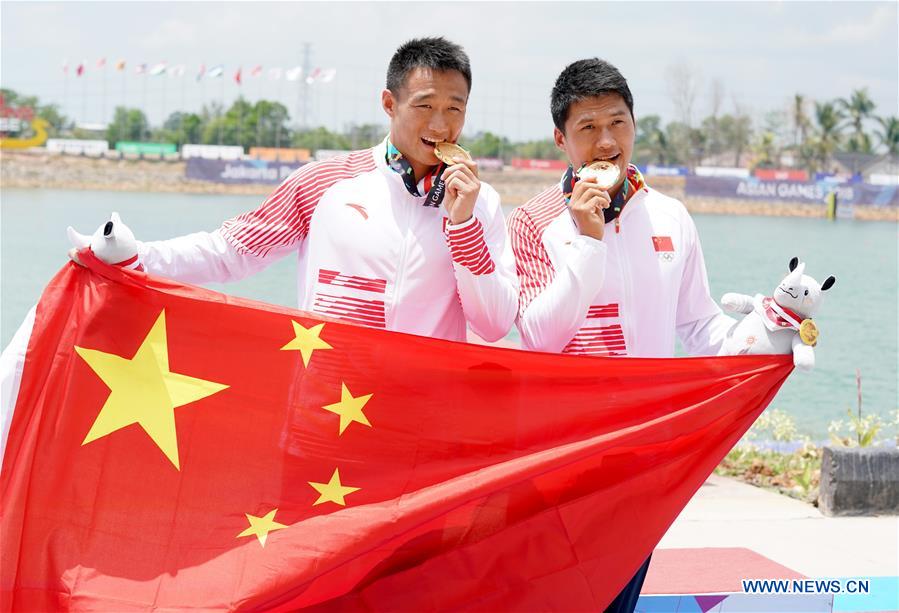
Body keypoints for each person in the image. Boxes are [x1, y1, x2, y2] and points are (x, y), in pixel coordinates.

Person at [0, 37, 518, 461]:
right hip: (325, 419)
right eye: (424, 106)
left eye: (455, 110)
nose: (440, 125)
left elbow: (494, 323)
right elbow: (233, 250)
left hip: (422, 428)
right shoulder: (326, 182)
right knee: (311, 574)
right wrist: (136, 259)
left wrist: (463, 223)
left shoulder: (481, 202)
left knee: (415, 583)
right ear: (389, 104)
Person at [507, 58, 736, 612]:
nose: (607, 143)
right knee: (561, 596)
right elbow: (539, 336)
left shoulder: (670, 216)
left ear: (635, 126)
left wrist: (766, 335)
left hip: (643, 458)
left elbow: (700, 325)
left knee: (620, 599)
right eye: (588, 129)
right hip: (562, 457)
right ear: (561, 139)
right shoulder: (532, 222)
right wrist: (588, 240)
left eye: (618, 124)